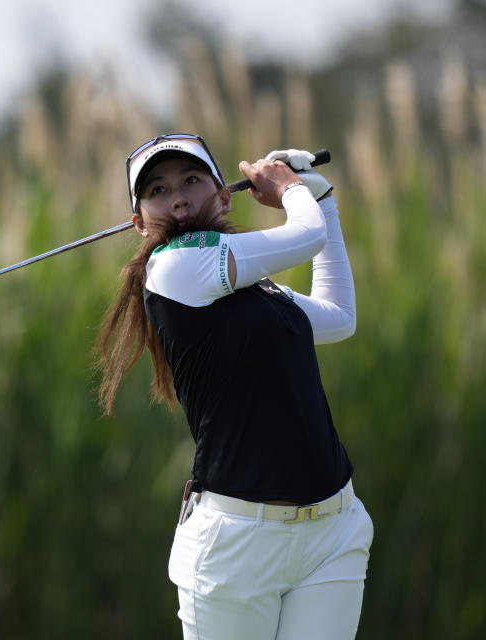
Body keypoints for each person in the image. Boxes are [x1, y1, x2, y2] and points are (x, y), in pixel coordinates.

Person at [96, 134, 373, 640]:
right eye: (157, 190)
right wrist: (290, 190)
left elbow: (338, 318)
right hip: (237, 546)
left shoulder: (255, 287)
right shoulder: (176, 264)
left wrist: (323, 202)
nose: (177, 196)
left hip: (332, 531)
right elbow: (303, 235)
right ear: (139, 223)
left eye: (192, 181)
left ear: (224, 195)